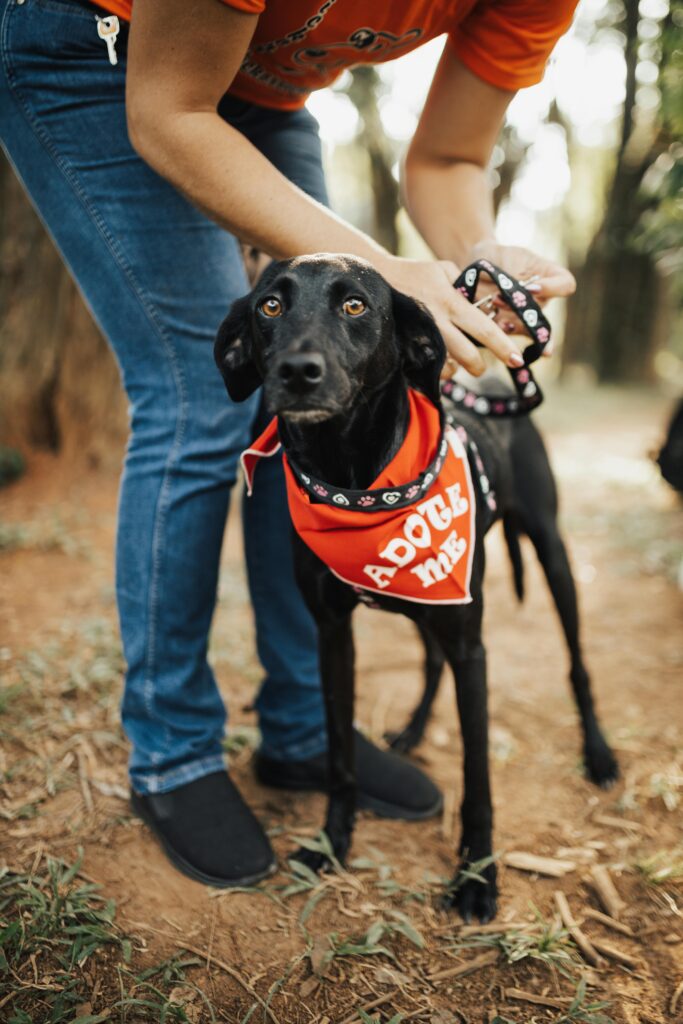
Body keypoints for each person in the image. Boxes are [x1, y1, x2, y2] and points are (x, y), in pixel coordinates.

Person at [0, 0, 578, 887]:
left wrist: (478, 260)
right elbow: (169, 113)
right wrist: (386, 275)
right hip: (99, 58)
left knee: (314, 402)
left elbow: (450, 158)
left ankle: (304, 726)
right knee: (203, 393)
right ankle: (173, 754)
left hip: (267, 96)